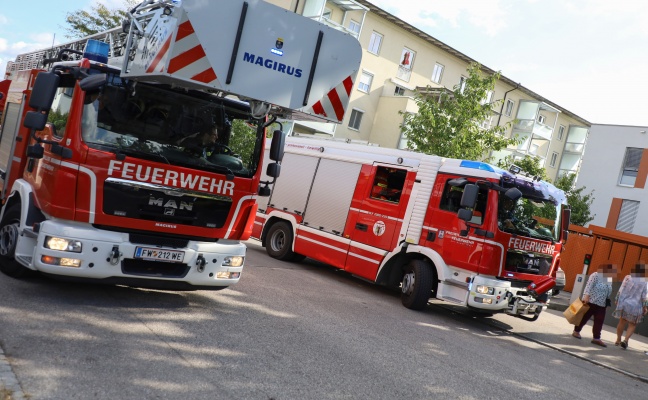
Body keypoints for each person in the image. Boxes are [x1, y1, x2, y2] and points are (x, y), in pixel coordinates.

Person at [572, 264, 616, 347]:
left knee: (600, 320)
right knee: (584, 317)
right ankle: (576, 331)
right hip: (591, 301)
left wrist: (607, 303)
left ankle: (596, 338)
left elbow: (608, 291)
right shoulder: (595, 275)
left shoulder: (609, 279)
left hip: (602, 304)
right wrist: (586, 296)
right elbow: (589, 285)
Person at [613, 263, 648, 349]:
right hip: (636, 306)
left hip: (625, 303)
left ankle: (618, 339)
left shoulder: (628, 278)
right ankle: (626, 340)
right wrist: (645, 306)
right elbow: (645, 295)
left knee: (622, 322)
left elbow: (621, 289)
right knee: (632, 324)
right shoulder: (645, 282)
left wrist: (617, 299)